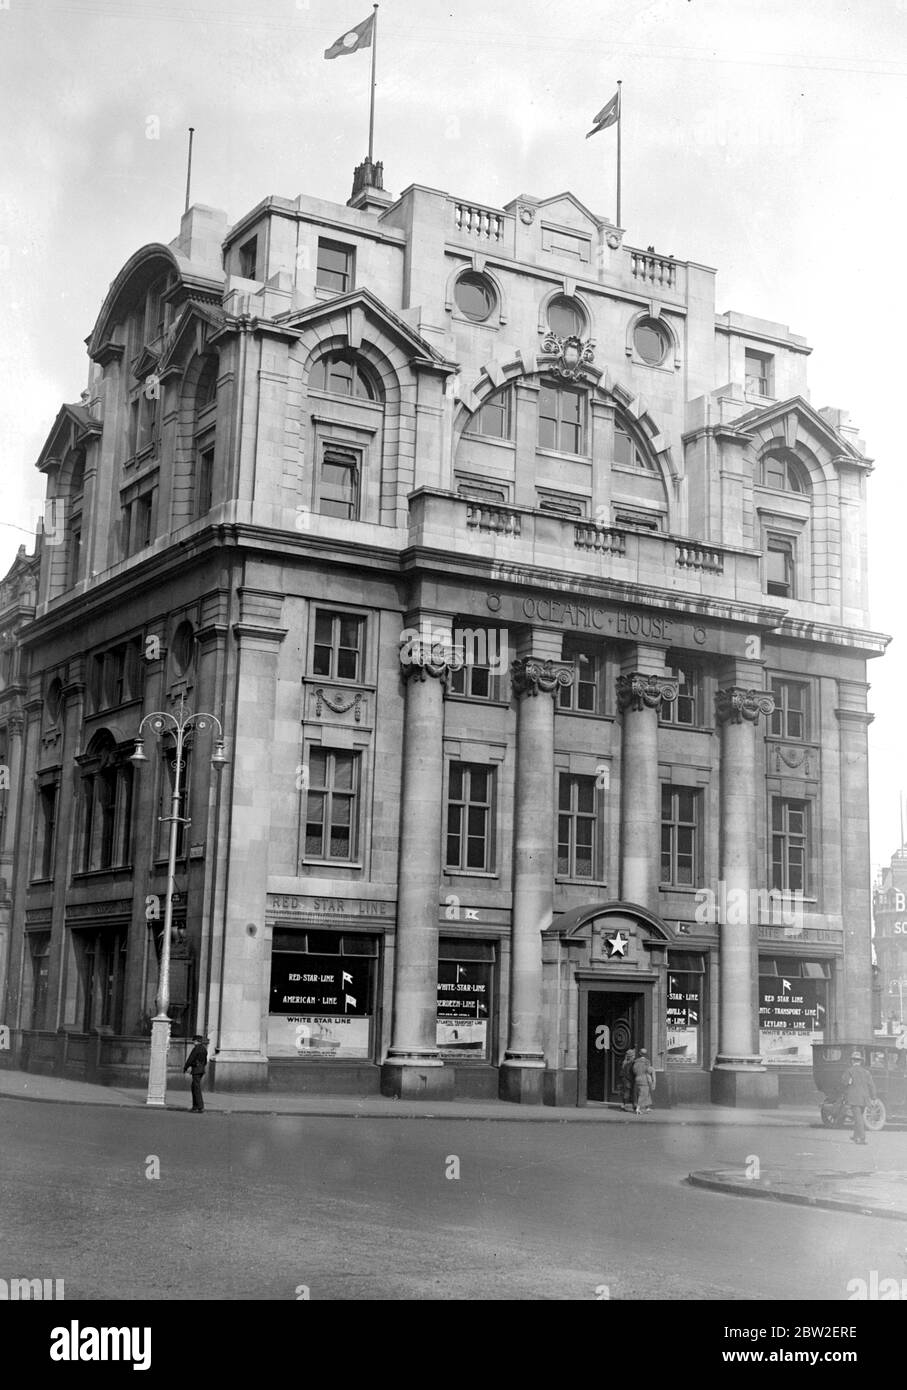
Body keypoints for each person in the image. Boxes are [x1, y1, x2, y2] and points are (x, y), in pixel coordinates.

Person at [842, 1049, 875, 1145]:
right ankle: (856, 1136)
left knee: (858, 1118)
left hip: (854, 1098)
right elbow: (871, 1085)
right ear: (860, 1061)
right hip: (864, 1099)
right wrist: (874, 1097)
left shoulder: (849, 1071)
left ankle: (862, 1138)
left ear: (852, 1061)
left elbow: (844, 1083)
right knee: (858, 1117)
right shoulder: (866, 1072)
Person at [183, 1034, 208, 1113]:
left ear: (197, 1041)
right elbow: (205, 1061)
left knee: (196, 1088)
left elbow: (191, 1058)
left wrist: (186, 1067)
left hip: (196, 1070)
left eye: (194, 1041)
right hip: (201, 1069)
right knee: (194, 1087)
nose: (193, 1042)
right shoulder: (204, 1049)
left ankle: (199, 1106)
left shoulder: (196, 1049)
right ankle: (196, 1106)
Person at [632, 1047, 656, 1115]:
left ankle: (647, 1107)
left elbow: (634, 1071)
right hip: (644, 1080)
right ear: (646, 1054)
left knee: (645, 1093)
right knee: (643, 1095)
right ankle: (638, 1109)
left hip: (637, 1079)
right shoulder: (647, 1062)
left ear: (639, 1054)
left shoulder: (636, 1061)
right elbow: (648, 1070)